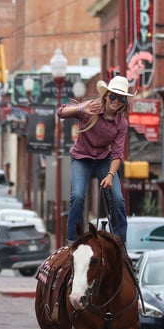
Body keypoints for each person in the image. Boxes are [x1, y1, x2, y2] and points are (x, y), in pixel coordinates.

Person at [56, 75, 133, 245]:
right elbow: (60, 112)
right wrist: (81, 108)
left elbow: (118, 153)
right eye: (113, 96)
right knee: (77, 196)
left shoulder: (122, 124)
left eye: (121, 98)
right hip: (82, 158)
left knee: (118, 199)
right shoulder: (91, 109)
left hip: (103, 161)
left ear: (124, 102)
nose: (116, 101)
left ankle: (120, 243)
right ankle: (72, 240)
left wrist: (111, 175)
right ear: (106, 96)